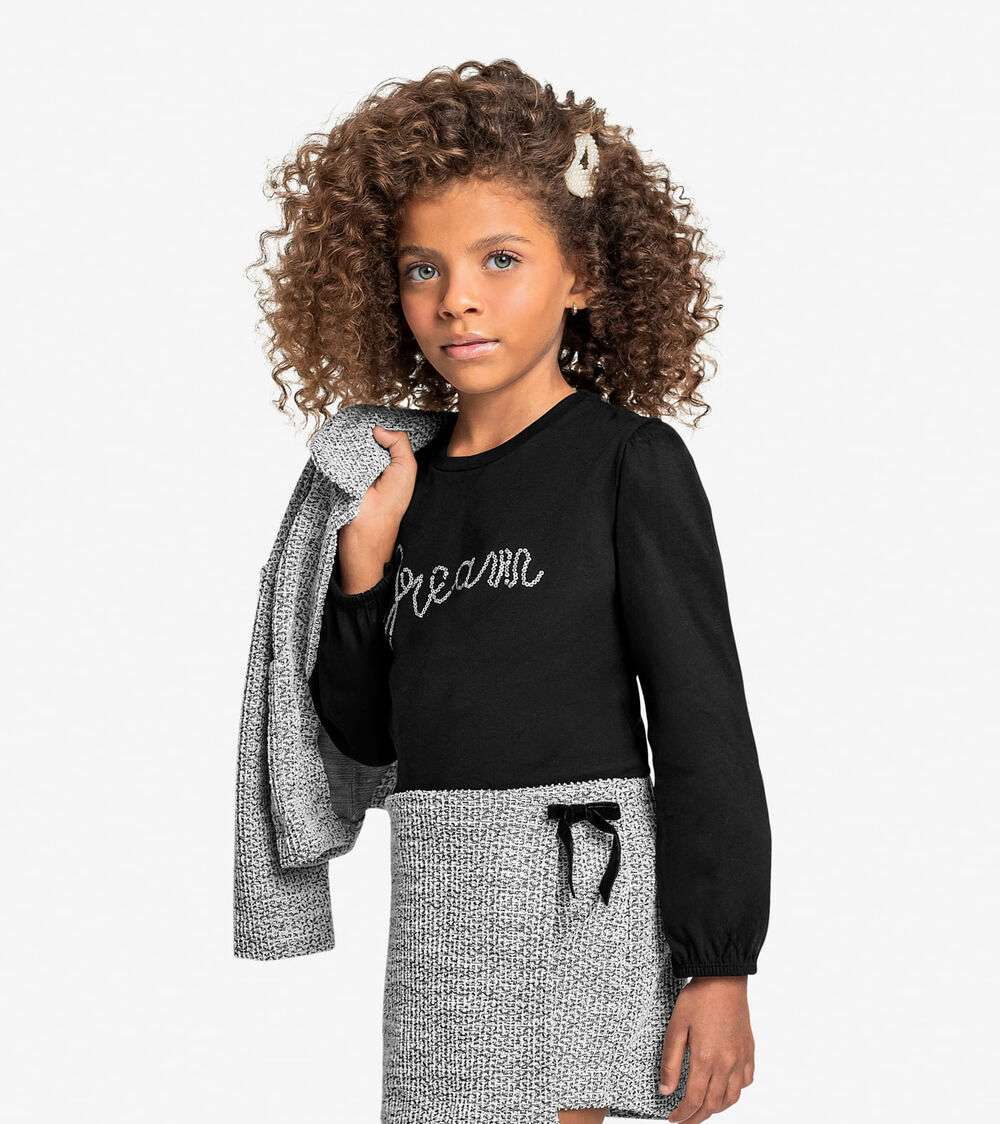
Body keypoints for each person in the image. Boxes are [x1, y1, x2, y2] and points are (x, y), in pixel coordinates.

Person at [252, 58, 771, 1124]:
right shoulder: (397, 481)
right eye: (423, 269)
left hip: (577, 884)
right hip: (439, 890)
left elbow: (703, 720)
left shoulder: (626, 462)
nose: (458, 299)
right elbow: (366, 737)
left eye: (500, 258)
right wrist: (365, 565)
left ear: (582, 274)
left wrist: (719, 964)